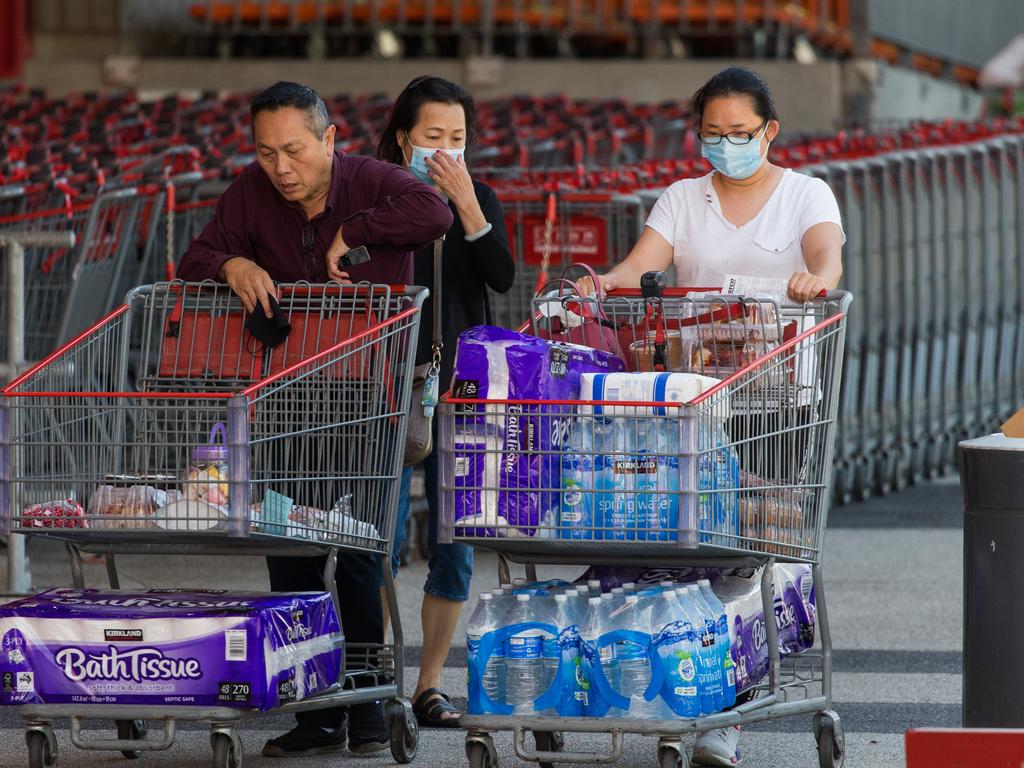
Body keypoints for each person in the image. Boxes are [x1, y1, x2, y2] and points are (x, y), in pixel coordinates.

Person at [177, 80, 453, 758]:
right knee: (290, 548)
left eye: (294, 150)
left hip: (367, 391)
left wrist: (353, 231)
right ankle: (313, 707)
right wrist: (234, 262)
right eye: (267, 152)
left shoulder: (373, 181)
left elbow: (434, 213)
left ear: (330, 139)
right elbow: (194, 260)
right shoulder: (251, 191)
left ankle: (362, 697)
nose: (281, 168)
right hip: (286, 394)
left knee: (358, 548)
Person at [594, 66, 844, 767]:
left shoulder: (805, 194)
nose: (729, 145)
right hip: (696, 400)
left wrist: (814, 281)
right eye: (714, 134)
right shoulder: (682, 198)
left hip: (775, 400)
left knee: (752, 545)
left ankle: (726, 713)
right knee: (695, 546)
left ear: (769, 131)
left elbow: (826, 255)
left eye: (741, 133)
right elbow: (642, 264)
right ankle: (703, 689)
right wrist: (599, 282)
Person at [376, 75, 514, 728]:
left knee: (455, 539)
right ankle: (375, 674)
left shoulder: (476, 196)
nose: (445, 151)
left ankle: (429, 683)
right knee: (379, 531)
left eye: (456, 139)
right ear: (404, 139)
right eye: (433, 138)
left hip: (462, 381)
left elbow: (502, 276)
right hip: (390, 383)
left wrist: (468, 209)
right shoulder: (373, 193)